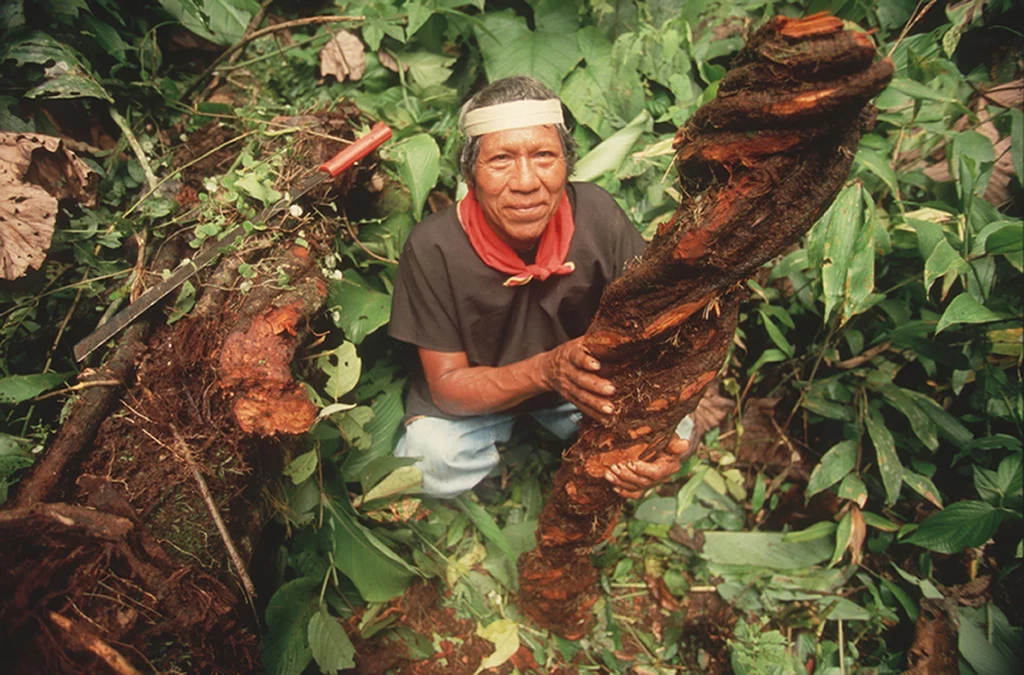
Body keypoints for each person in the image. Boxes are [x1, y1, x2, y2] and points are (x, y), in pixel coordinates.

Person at [388, 76, 691, 500]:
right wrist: (546, 370)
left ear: (567, 164)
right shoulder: (433, 246)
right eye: (501, 160)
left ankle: (585, 459)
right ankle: (500, 459)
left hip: (581, 390)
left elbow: (655, 333)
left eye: (544, 155)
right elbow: (448, 389)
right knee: (428, 459)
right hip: (481, 401)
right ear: (470, 172)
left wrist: (657, 434)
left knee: (674, 424)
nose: (526, 181)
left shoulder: (597, 216)